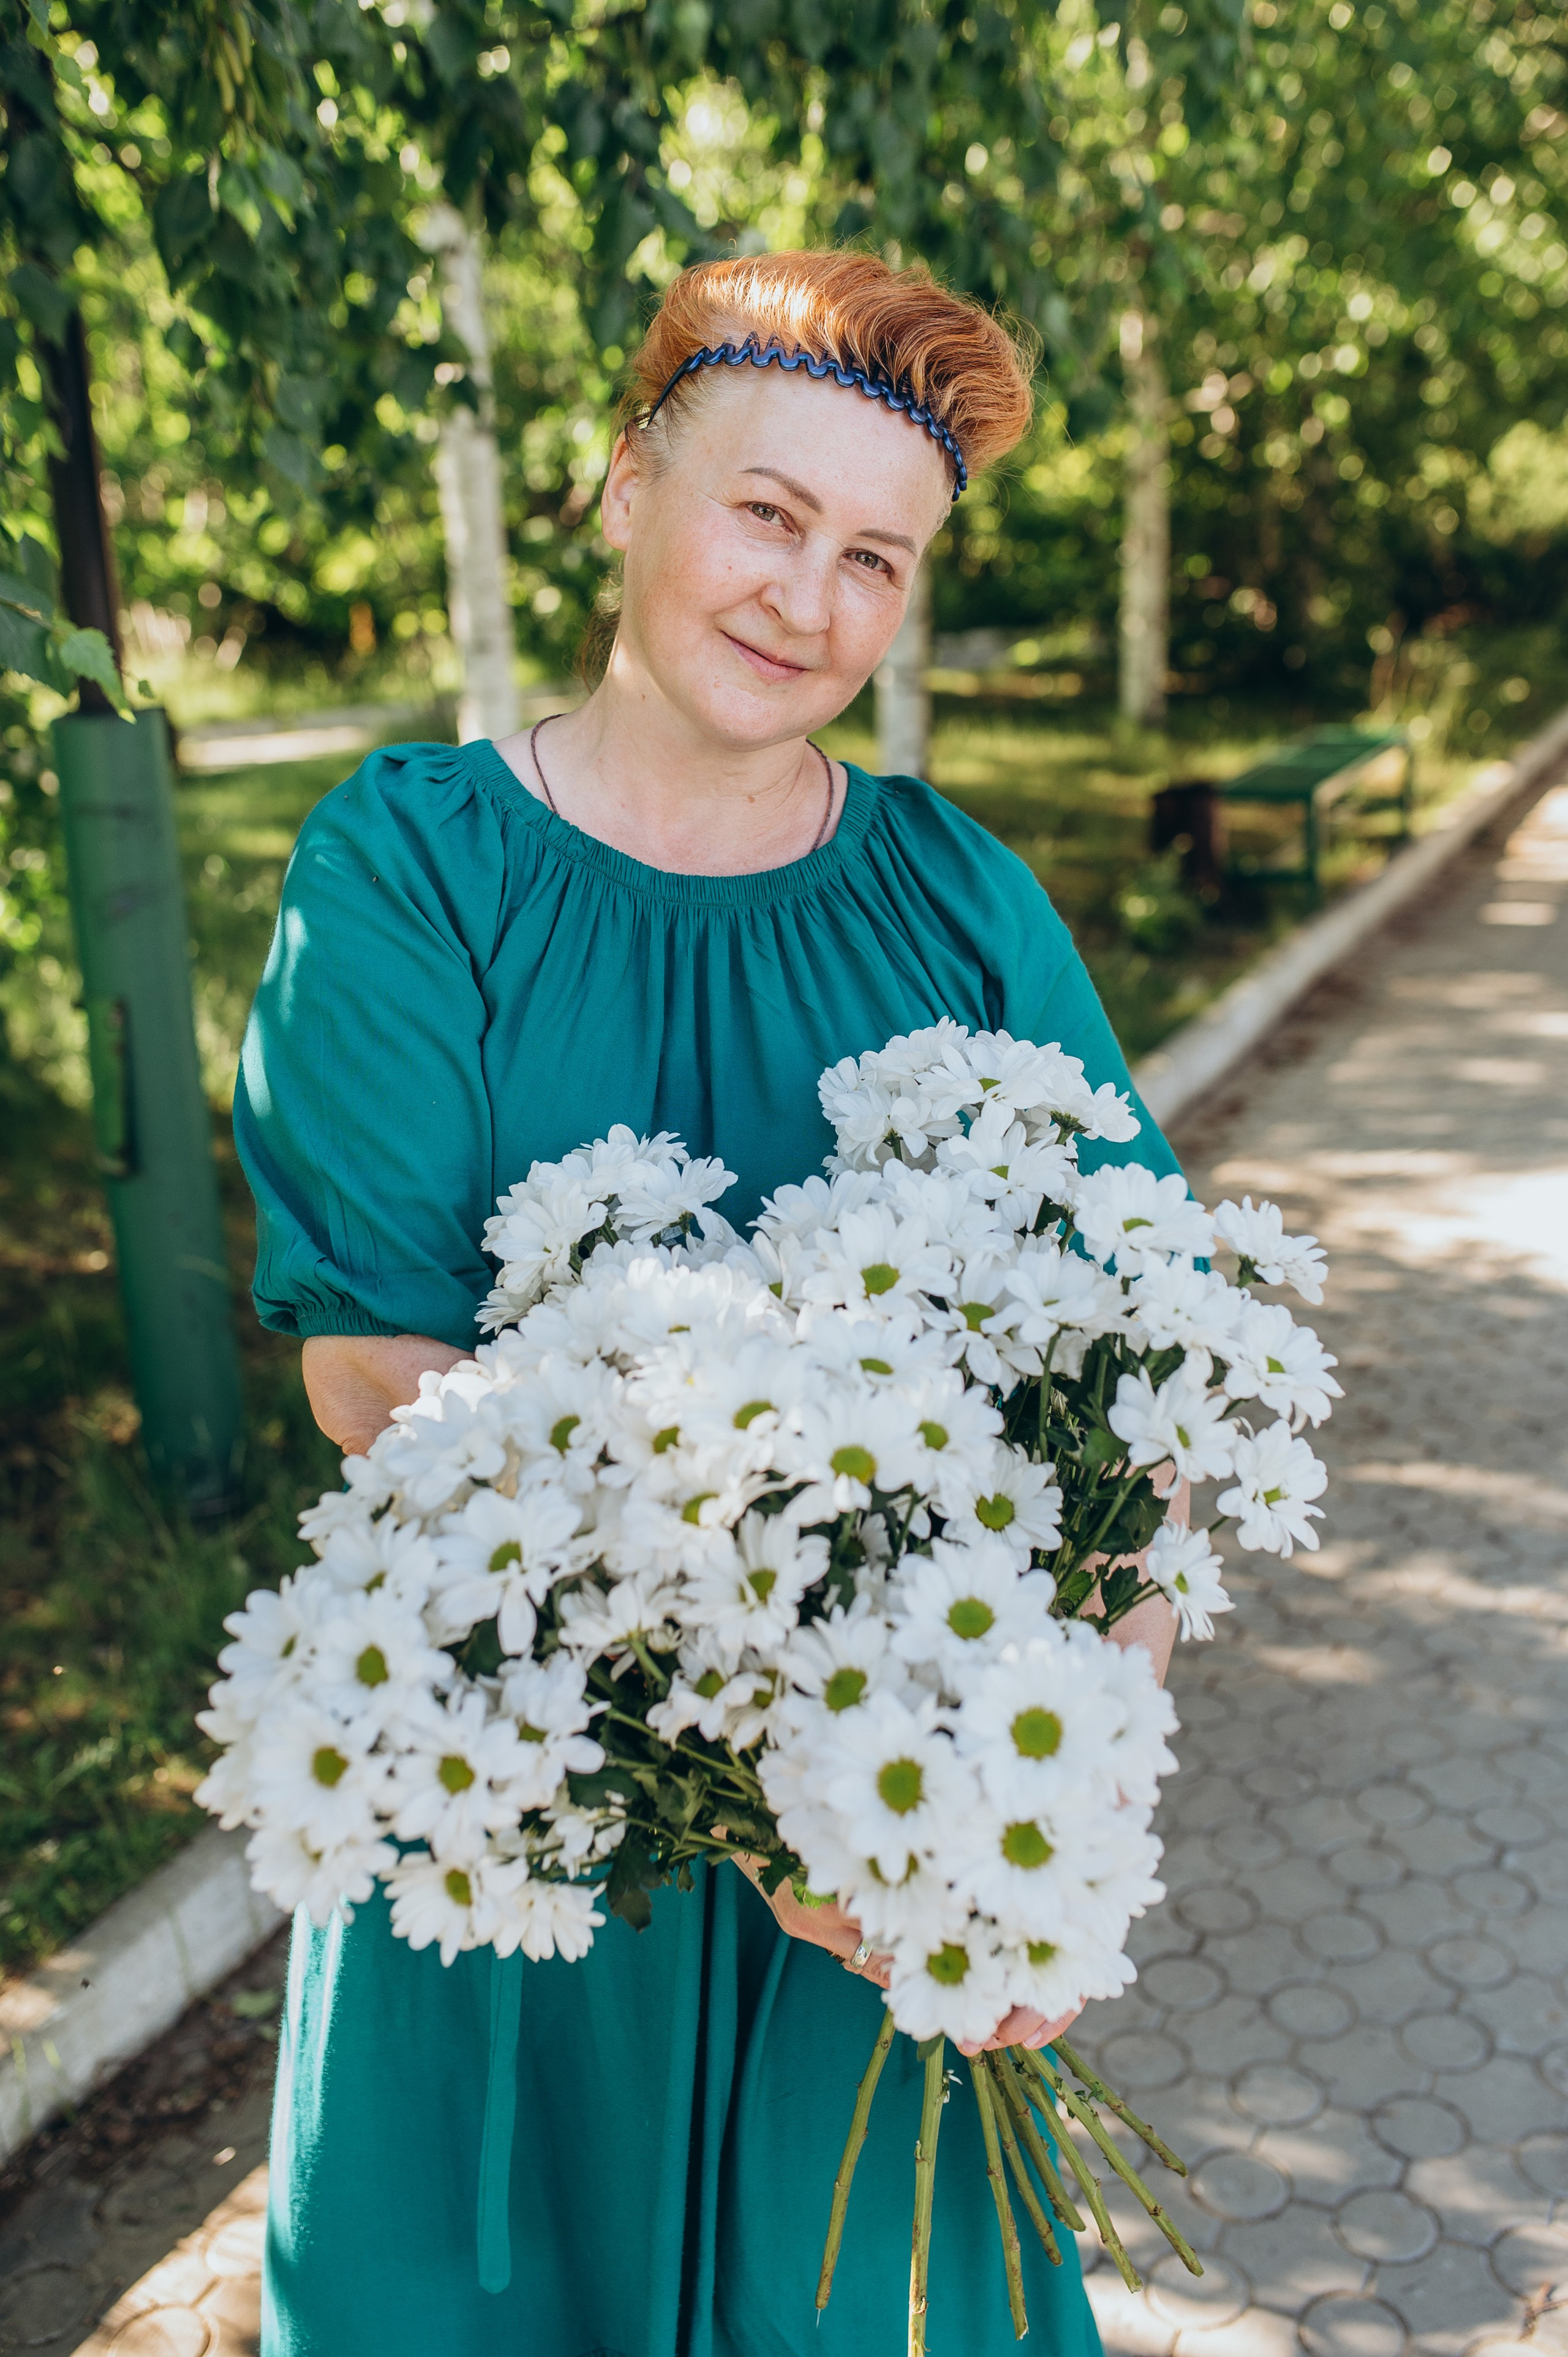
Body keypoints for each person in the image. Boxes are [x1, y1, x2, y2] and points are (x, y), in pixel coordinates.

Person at [235, 247, 1179, 2357]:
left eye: (878, 556)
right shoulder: (411, 869)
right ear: (624, 487)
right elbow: (382, 1371)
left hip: (886, 1885)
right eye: (767, 513)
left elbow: (1149, 1364)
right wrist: (763, 1793)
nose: (809, 600)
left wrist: (1069, 1792)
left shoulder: (963, 898)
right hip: (541, 1811)